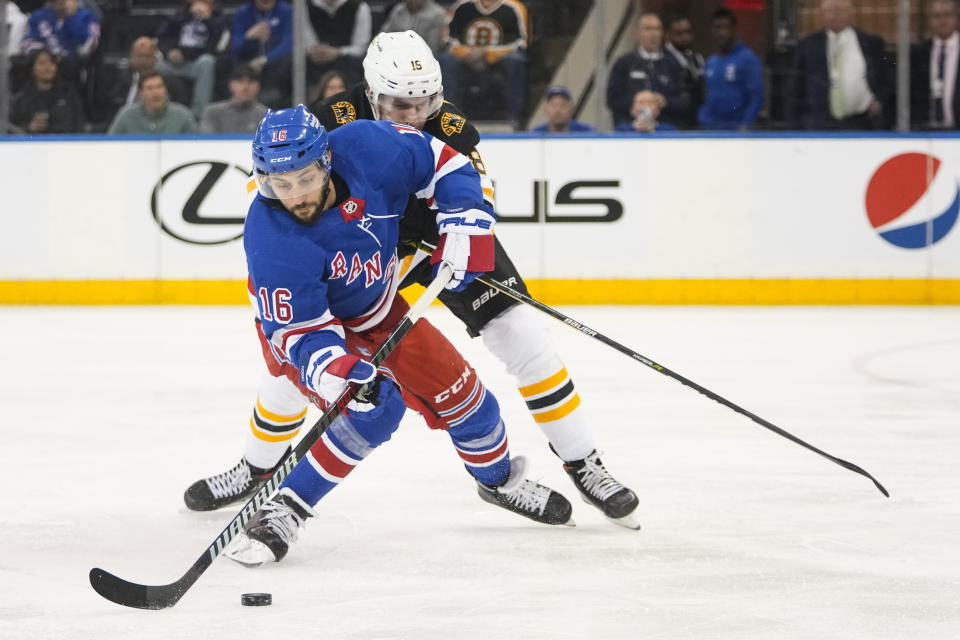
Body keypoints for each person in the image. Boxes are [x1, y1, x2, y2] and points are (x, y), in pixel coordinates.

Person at [185, 31, 641, 531]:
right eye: (401, 104)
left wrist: (467, 225)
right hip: (361, 249)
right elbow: (277, 185)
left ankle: (584, 462)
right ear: (373, 93)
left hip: (441, 239)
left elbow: (472, 179)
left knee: (525, 336)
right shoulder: (333, 117)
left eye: (425, 102)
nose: (415, 115)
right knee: (301, 366)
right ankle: (257, 466)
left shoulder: (450, 125)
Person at [222, 104, 574, 565]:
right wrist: (342, 371)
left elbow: (446, 163)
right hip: (309, 333)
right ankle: (286, 507)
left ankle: (498, 482)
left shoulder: (369, 146)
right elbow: (301, 333)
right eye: (280, 184)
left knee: (471, 401)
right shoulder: (272, 236)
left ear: (326, 160)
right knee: (374, 408)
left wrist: (464, 218)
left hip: (380, 311)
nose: (295, 196)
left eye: (305, 178)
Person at [786, 0, 891, 130]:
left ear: (851, 13)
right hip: (819, 123)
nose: (836, 15)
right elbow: (796, 85)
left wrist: (879, 101)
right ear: (822, 14)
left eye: (841, 10)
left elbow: (886, 78)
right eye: (831, 10)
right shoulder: (808, 44)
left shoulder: (871, 43)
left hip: (862, 122)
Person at [439, 0, 529, 125]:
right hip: (465, 62)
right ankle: (450, 121)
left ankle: (515, 121)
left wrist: (487, 54)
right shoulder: (461, 6)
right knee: (446, 60)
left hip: (499, 63)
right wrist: (466, 54)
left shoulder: (514, 7)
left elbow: (521, 43)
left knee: (516, 61)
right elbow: (448, 40)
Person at [606, 12, 697, 129]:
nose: (653, 34)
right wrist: (639, 101)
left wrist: (665, 102)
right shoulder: (624, 63)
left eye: (657, 29)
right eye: (648, 29)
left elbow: (687, 102)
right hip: (628, 129)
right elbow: (612, 100)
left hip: (664, 130)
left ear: (662, 33)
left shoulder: (674, 64)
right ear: (638, 33)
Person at [156, 0, 230, 119]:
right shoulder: (180, 14)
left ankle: (198, 114)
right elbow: (163, 37)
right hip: (175, 62)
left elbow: (220, 46)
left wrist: (208, 20)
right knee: (155, 65)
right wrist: (169, 51)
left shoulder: (220, 18)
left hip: (197, 64)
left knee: (207, 62)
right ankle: (152, 110)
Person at [697, 8, 764, 130]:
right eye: (718, 28)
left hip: (736, 128)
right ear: (712, 31)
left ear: (734, 29)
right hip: (710, 128)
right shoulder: (710, 62)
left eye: (726, 27)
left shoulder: (748, 58)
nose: (722, 32)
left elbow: (756, 97)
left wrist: (746, 124)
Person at [21, 0, 99, 90]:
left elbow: (89, 46)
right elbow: (27, 43)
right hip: (39, 75)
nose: (61, 2)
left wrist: (71, 17)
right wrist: (46, 57)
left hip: (71, 74)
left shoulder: (87, 17)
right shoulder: (38, 16)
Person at [108, 37, 191, 122]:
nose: (143, 61)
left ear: (155, 58)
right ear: (131, 58)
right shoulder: (121, 82)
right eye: (139, 56)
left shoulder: (173, 85)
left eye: (147, 56)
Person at [229, 0, 292, 108]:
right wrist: (248, 36)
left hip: (274, 63)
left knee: (289, 60)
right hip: (248, 62)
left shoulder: (286, 10)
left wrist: (265, 59)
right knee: (228, 61)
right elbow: (234, 46)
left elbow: (289, 44)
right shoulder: (243, 12)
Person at [9, 48, 84, 134]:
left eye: (52, 62)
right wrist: (29, 128)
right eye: (42, 63)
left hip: (65, 145)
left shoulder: (68, 94)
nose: (48, 67)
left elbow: (79, 124)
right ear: (32, 69)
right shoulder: (21, 99)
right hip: (32, 146)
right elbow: (10, 129)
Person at [911, 0, 960, 130]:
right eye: (937, 16)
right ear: (930, 20)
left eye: (947, 15)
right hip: (927, 131)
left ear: (957, 18)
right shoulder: (919, 53)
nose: (942, 21)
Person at [304, 0, 371, 86]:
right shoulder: (306, 6)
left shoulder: (359, 6)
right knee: (292, 65)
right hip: (316, 59)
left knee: (353, 64)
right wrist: (315, 51)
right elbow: (306, 42)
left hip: (347, 60)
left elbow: (362, 46)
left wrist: (338, 51)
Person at [107, 71, 197, 134]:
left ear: (165, 90)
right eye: (150, 88)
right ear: (141, 93)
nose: (155, 92)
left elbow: (196, 146)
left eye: (159, 86)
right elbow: (110, 145)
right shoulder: (126, 115)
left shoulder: (183, 115)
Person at [199, 64, 268, 133]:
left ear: (258, 86)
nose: (245, 87)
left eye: (250, 82)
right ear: (230, 85)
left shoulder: (266, 116)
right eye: (240, 82)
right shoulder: (213, 112)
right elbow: (207, 141)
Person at [380, 0, 446, 54]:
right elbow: (382, 36)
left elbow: (432, 48)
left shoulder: (438, 14)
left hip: (421, 60)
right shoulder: (399, 10)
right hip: (394, 55)